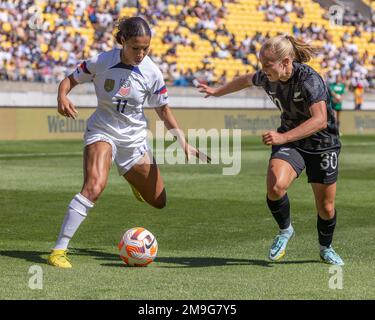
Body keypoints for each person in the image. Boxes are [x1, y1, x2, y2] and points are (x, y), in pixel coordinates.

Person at [48, 17, 208, 268]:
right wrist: (62, 96)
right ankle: (59, 250)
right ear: (122, 41)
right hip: (103, 131)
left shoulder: (152, 72)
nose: (141, 53)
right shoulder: (102, 61)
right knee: (94, 186)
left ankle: (132, 177)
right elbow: (69, 79)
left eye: (146, 48)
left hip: (134, 141)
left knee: (159, 201)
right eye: (135, 48)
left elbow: (163, 110)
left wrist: (183, 142)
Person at [198, 35, 344, 265]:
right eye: (261, 64)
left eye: (267, 65)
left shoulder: (309, 80)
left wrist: (283, 136)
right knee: (275, 187)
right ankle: (285, 230)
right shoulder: (267, 77)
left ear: (285, 62)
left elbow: (320, 120)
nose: (262, 70)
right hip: (291, 141)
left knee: (326, 207)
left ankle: (325, 248)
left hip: (322, 145)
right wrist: (217, 92)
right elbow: (246, 80)